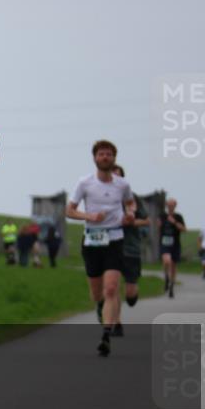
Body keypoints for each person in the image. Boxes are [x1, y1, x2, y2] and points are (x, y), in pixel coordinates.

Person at [66, 140, 133, 357]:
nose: (105, 157)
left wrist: (130, 213)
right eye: (101, 154)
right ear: (95, 158)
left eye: (109, 154)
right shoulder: (84, 183)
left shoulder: (122, 184)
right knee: (96, 292)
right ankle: (100, 306)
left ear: (114, 158)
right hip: (93, 240)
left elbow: (131, 203)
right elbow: (70, 210)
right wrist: (89, 216)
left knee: (111, 288)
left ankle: (106, 335)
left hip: (115, 238)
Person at [112, 164, 149, 336]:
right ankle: (116, 323)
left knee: (130, 293)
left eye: (118, 175)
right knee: (112, 286)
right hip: (111, 246)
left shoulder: (132, 198)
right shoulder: (101, 197)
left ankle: (133, 294)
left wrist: (131, 222)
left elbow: (147, 221)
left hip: (131, 247)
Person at [159, 198, 186, 298]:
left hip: (175, 244)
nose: (170, 207)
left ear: (175, 206)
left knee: (173, 266)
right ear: (166, 206)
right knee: (167, 261)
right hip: (165, 243)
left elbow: (184, 229)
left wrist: (174, 222)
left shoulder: (178, 217)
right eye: (168, 206)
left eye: (172, 206)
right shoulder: (162, 216)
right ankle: (166, 277)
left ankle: (171, 286)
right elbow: (158, 227)